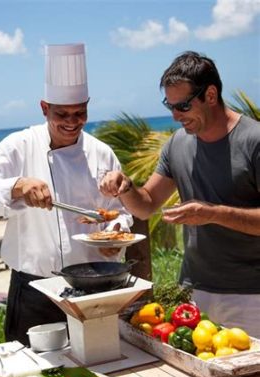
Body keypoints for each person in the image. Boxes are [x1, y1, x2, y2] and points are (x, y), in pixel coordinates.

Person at [0, 43, 133, 345]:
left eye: (80, 113)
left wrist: (115, 233)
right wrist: (17, 186)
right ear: (44, 108)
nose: (72, 121)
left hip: (95, 284)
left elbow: (119, 212)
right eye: (62, 114)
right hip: (34, 288)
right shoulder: (19, 145)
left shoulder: (102, 152)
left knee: (97, 368)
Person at [99, 51, 260, 337]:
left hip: (252, 296)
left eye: (183, 106)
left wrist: (212, 213)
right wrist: (126, 186)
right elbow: (146, 205)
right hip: (194, 293)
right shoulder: (178, 144)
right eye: (169, 105)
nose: (175, 116)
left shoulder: (253, 140)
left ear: (211, 95)